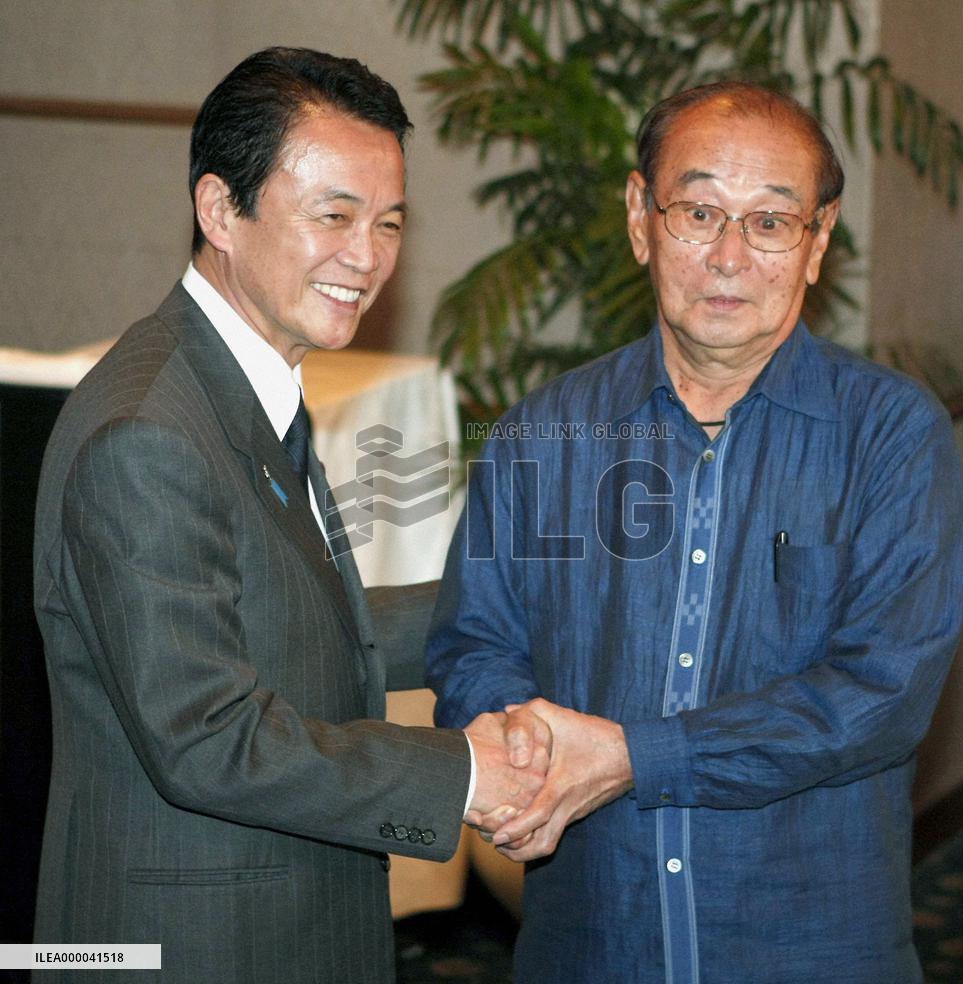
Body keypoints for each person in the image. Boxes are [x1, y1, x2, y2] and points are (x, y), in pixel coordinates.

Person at [427, 81, 963, 983]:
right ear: (641, 217)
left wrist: (637, 758)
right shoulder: (543, 432)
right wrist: (521, 746)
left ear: (818, 241)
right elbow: (475, 643)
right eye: (699, 211)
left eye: (769, 223)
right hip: (592, 943)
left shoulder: (892, 436)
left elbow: (882, 692)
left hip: (808, 949)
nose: (728, 256)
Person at [32, 47, 546, 984]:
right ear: (220, 209)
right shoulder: (149, 432)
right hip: (189, 948)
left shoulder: (247, 382)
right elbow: (209, 739)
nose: (368, 255)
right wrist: (464, 774)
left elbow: (302, 632)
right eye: (334, 216)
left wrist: (514, 606)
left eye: (389, 222)